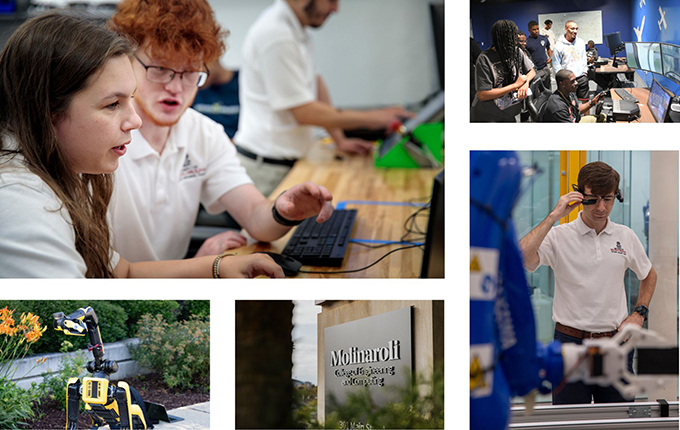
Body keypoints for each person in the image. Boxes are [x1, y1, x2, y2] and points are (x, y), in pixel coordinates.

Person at [0, 11, 284, 278]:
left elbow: (120, 273)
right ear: (47, 111)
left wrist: (217, 266)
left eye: (188, 74)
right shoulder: (21, 199)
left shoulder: (65, 166)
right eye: (113, 104)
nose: (134, 121)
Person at [108, 0, 335, 263]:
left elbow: (253, 214)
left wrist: (283, 211)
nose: (175, 87)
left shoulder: (204, 134)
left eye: (191, 72)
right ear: (127, 62)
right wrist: (194, 269)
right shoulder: (103, 137)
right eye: (160, 69)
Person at [234, 0, 412, 196]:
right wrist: (376, 117)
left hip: (284, 162)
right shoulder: (277, 34)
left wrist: (339, 139)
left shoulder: (299, 31)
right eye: (331, 0)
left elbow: (315, 84)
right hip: (267, 168)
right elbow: (303, 112)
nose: (336, 9)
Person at [518, 161, 657, 404]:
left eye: (609, 199)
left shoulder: (625, 236)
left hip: (615, 343)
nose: (602, 207)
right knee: (569, 421)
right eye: (593, 199)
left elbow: (648, 274)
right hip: (570, 344)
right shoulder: (560, 236)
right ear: (580, 197)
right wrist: (554, 215)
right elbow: (521, 257)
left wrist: (639, 313)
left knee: (619, 420)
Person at [471, 19, 536, 122]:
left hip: (508, 112)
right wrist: (515, 85)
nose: (515, 41)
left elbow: (531, 71)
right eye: (512, 37)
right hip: (488, 116)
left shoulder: (516, 51)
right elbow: (483, 94)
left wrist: (525, 83)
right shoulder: (484, 59)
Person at [192, 58, 240, 139]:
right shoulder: (192, 88)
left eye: (199, 65)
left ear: (216, 57)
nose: (197, 76)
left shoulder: (244, 84)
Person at [552, 20, 589, 100]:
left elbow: (584, 58)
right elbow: (556, 64)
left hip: (581, 76)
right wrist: (561, 79)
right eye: (572, 29)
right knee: (570, 102)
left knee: (585, 101)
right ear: (566, 29)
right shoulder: (558, 46)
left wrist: (585, 71)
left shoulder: (580, 42)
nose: (575, 31)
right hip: (567, 80)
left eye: (576, 29)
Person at [525, 20, 552, 91]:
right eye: (534, 29)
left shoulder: (544, 38)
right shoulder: (527, 42)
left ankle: (549, 101)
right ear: (529, 30)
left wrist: (550, 57)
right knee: (537, 91)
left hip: (545, 67)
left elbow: (548, 48)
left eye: (537, 29)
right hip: (535, 70)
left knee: (548, 89)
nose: (536, 31)